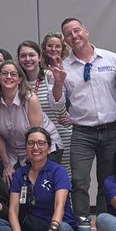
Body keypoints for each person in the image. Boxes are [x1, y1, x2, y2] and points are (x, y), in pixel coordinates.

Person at [51, 18, 116, 218]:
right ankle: (82, 229)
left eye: (77, 31)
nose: (74, 36)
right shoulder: (63, 68)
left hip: (112, 130)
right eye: (68, 34)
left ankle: (105, 228)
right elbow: (57, 105)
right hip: (82, 133)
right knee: (79, 181)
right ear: (65, 40)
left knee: (108, 181)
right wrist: (58, 83)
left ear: (86, 30)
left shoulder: (112, 60)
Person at [0, 126, 78, 231]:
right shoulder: (20, 173)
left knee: (63, 229)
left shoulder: (58, 171)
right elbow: (13, 208)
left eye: (41, 143)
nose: (35, 147)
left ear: (49, 148)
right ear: (26, 147)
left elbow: (60, 206)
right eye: (31, 143)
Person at [0, 60, 60, 173]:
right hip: (13, 152)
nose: (8, 77)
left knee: (35, 184)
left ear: (20, 79)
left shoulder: (30, 99)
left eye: (13, 74)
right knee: (8, 180)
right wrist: (6, 165)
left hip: (41, 148)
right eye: (4, 73)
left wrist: (31, 168)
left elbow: (37, 135)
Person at [18, 40, 71, 169]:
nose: (27, 59)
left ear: (40, 57)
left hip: (61, 132)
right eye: (23, 56)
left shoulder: (51, 76)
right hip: (38, 141)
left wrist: (75, 117)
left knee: (66, 175)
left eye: (32, 55)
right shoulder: (17, 83)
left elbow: (64, 100)